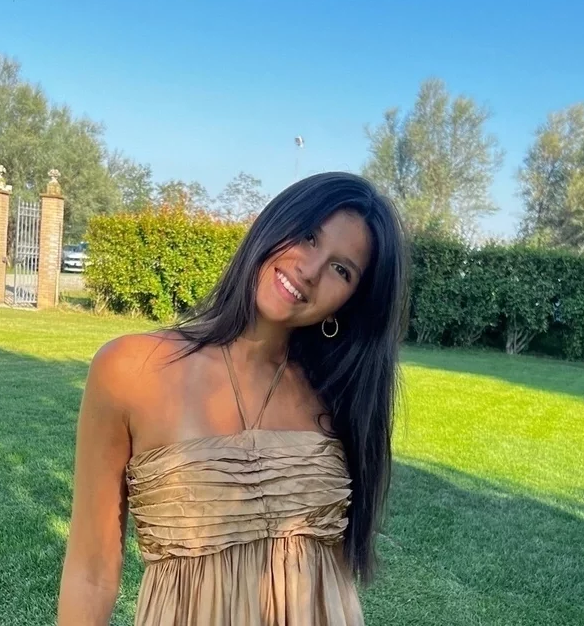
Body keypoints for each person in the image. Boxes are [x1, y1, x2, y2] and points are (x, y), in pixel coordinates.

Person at [57, 172, 407, 625]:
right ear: (275, 222)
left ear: (351, 302)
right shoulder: (129, 370)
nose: (310, 270)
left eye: (342, 270)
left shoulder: (339, 396)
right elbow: (91, 571)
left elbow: (331, 571)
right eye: (307, 236)